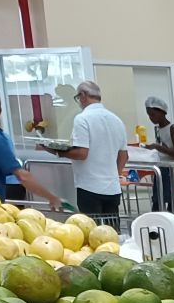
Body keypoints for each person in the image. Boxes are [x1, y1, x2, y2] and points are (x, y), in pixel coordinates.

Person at [48, 80, 127, 222]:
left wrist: (57, 152)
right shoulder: (116, 120)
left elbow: (81, 153)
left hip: (89, 187)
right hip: (113, 188)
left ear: (83, 95)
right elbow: (124, 155)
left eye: (77, 98)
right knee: (111, 232)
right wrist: (115, 175)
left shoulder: (83, 118)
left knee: (91, 232)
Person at [145, 96, 174, 215]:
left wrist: (159, 147)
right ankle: (156, 227)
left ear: (162, 112)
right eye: (149, 115)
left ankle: (171, 225)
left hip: (172, 170)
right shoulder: (158, 129)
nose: (151, 118)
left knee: (172, 200)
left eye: (153, 115)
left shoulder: (172, 128)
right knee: (157, 199)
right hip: (161, 168)